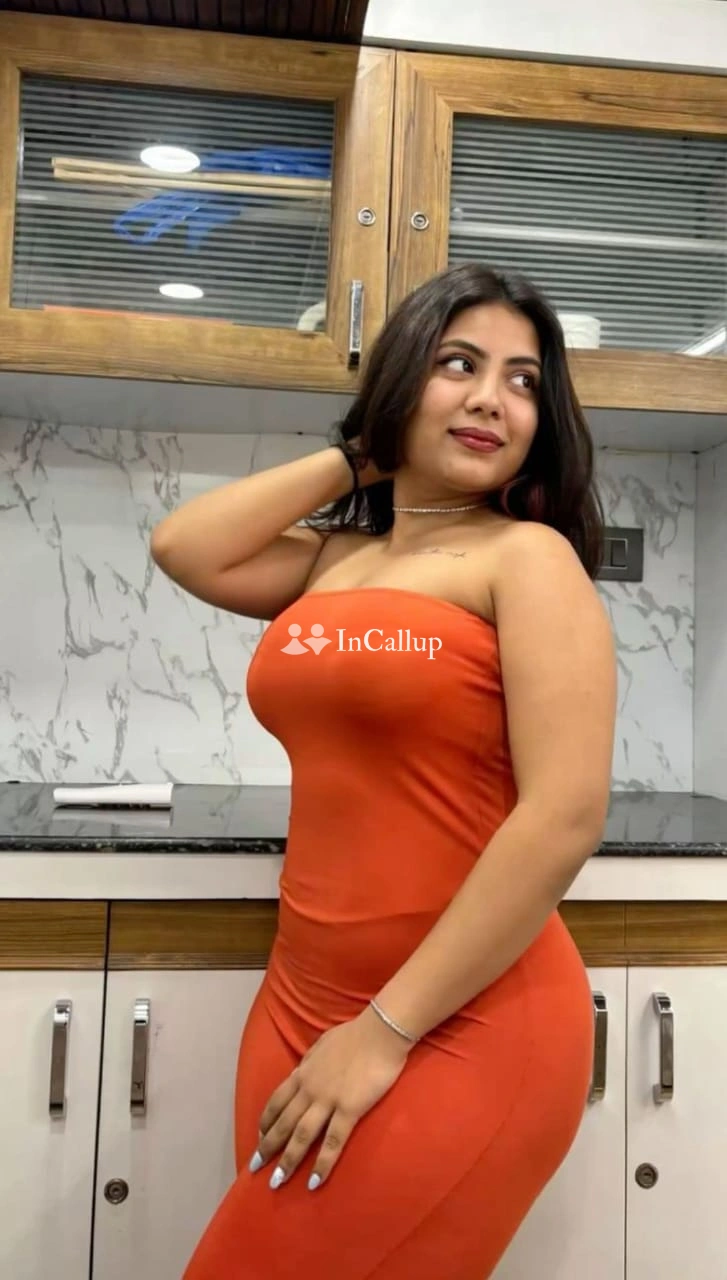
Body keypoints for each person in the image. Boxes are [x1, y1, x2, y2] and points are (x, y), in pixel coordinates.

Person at [150, 261, 617, 1279]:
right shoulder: (333, 561)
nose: (492, 399)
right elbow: (186, 546)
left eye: (523, 381)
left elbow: (564, 815)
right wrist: (360, 452)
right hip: (298, 1003)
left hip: (460, 1016)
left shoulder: (526, 559)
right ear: (402, 380)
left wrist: (384, 1030)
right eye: (457, 364)